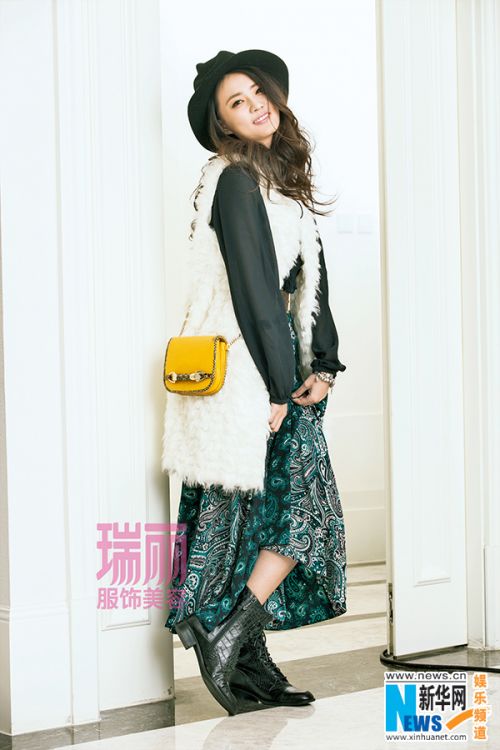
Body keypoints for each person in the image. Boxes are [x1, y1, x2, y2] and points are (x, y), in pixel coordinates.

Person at [161, 49, 348, 716]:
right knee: (302, 514)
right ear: (225, 126)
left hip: (280, 367)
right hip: (250, 372)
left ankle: (245, 659)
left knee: (258, 520)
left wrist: (323, 364)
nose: (254, 105)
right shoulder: (236, 181)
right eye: (236, 103)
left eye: (256, 91)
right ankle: (229, 631)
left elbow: (310, 283)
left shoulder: (280, 181)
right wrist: (276, 386)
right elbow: (254, 291)